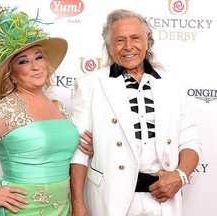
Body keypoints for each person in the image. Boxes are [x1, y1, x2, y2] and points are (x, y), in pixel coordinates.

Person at [0, 7, 93, 216]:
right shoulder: (9, 108)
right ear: (11, 75)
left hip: (62, 208)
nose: (34, 66)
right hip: (23, 209)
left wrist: (92, 148)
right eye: (23, 61)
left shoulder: (57, 107)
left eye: (38, 57)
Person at [70, 9, 202, 216]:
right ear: (109, 46)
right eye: (120, 40)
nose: (128, 47)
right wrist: (77, 204)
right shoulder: (90, 85)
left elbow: (190, 140)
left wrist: (180, 175)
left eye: (135, 38)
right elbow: (78, 153)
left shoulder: (172, 84)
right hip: (110, 198)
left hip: (163, 197)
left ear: (147, 41)